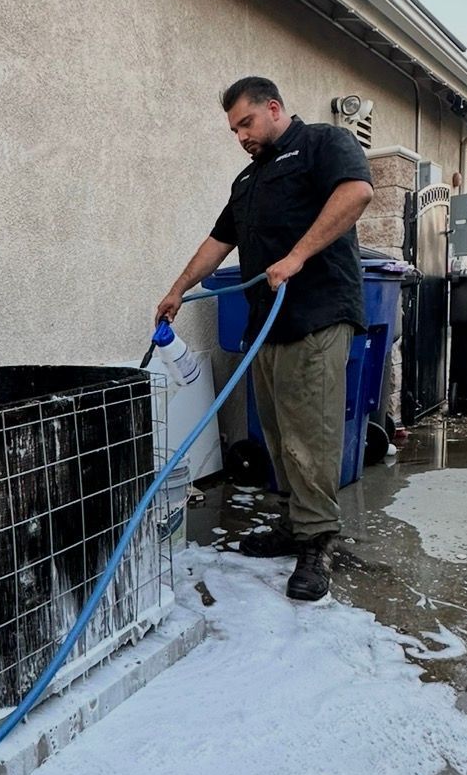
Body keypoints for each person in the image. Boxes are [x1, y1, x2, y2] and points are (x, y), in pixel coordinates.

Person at [156, 76, 374, 602]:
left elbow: (357, 193)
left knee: (311, 437)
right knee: (279, 437)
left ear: (274, 108)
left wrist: (298, 255)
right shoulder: (247, 182)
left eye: (246, 123)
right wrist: (178, 289)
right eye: (233, 129)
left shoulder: (323, 144)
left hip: (316, 317)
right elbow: (218, 241)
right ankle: (296, 526)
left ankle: (318, 542)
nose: (241, 136)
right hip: (267, 329)